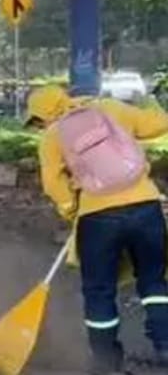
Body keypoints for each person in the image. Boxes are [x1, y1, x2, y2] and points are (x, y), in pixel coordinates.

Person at [26, 84, 168, 372]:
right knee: (154, 281)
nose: (40, 127)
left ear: (43, 116)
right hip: (146, 206)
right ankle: (166, 345)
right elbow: (158, 125)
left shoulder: (52, 137)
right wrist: (154, 105)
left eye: (38, 122)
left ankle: (106, 362)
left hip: (97, 217)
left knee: (99, 291)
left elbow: (53, 184)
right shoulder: (110, 109)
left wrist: (70, 209)